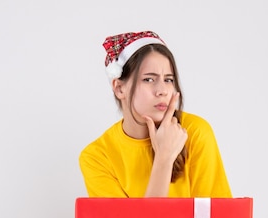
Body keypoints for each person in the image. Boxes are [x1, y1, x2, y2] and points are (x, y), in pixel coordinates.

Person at [79, 31, 232, 198]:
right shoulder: (97, 157)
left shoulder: (195, 132)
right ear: (119, 88)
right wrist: (164, 159)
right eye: (149, 79)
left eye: (168, 79)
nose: (162, 91)